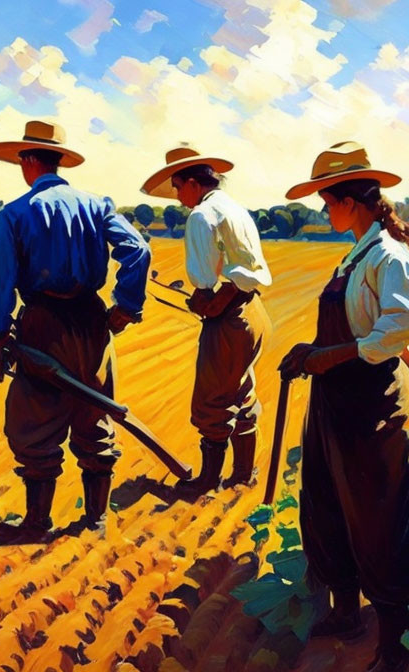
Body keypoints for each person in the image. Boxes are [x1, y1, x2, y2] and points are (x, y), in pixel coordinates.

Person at [279, 141, 409, 672]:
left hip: (376, 410)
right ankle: (345, 613)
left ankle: (394, 649)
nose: (323, 210)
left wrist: (330, 355)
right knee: (329, 508)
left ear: (350, 202)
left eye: (326, 201)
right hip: (339, 408)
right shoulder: (356, 254)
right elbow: (380, 330)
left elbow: (404, 328)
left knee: (380, 524)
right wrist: (310, 354)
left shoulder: (388, 255)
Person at [0, 120, 151, 542]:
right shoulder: (97, 205)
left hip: (44, 323)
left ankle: (38, 521)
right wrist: (124, 307)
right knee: (94, 412)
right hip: (92, 322)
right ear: (58, 161)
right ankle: (95, 520)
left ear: (27, 161)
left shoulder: (14, 214)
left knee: (33, 419)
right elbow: (139, 251)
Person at [140, 147, 272, 498]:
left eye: (178, 187)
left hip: (230, 321)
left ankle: (208, 481)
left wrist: (203, 300)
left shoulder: (202, 216)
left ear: (194, 184)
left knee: (212, 403)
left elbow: (203, 279)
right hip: (254, 313)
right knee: (241, 392)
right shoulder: (235, 209)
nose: (179, 197)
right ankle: (243, 474)